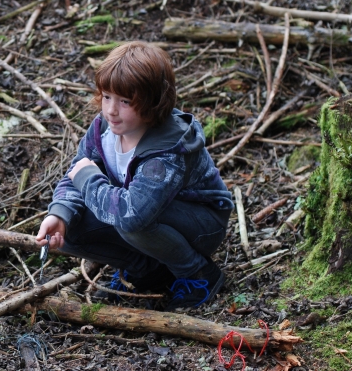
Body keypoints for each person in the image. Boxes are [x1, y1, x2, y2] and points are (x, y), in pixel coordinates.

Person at [35, 41, 234, 311]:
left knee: (131, 220)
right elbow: (78, 171)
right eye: (106, 97)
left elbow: (131, 212)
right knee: (69, 228)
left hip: (200, 225)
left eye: (125, 101)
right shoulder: (103, 129)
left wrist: (88, 179)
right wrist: (59, 213)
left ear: (153, 102)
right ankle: (148, 270)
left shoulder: (167, 150)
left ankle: (197, 274)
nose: (111, 110)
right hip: (140, 212)